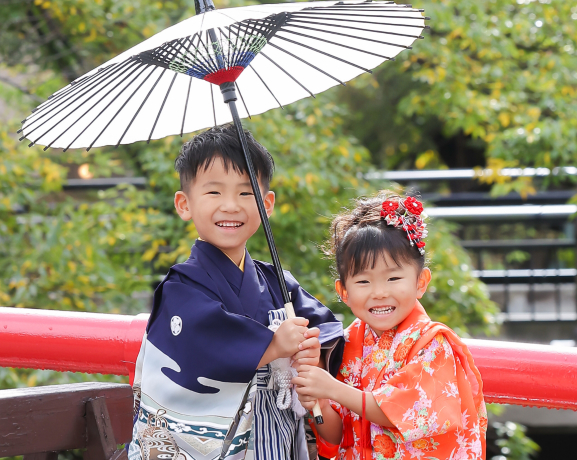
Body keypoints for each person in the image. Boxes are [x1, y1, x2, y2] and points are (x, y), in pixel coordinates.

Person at [128, 124, 344, 460]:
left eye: (246, 193)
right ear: (184, 204)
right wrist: (274, 346)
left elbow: (326, 330)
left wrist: (311, 349)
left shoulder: (279, 283)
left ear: (267, 204)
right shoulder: (180, 288)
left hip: (274, 442)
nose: (230, 205)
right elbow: (203, 345)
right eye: (214, 192)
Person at [292, 192, 487, 460]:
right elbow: (337, 436)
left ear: (421, 282)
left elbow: (397, 412)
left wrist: (333, 388)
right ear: (343, 291)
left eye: (393, 278)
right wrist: (320, 403)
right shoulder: (346, 344)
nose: (380, 293)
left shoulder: (431, 343)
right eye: (363, 282)